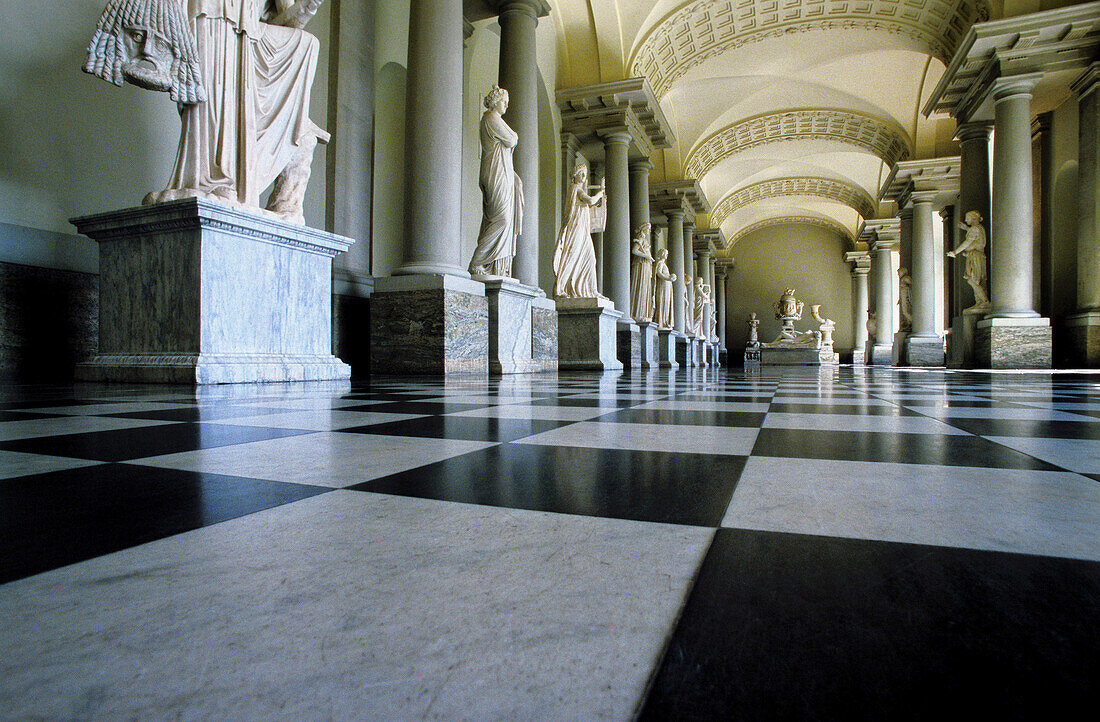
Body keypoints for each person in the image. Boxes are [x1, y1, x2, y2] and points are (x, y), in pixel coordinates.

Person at [86, 0, 329, 223]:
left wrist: (310, 4)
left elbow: (289, 19)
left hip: (249, 32)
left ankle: (243, 180)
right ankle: (207, 180)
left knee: (307, 43)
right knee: (213, 97)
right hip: (210, 14)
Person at [468, 86, 523, 278]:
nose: (506, 105)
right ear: (494, 101)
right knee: (502, 219)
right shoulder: (491, 119)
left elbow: (512, 139)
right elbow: (511, 139)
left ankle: (494, 266)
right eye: (503, 101)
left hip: (503, 173)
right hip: (495, 173)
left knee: (500, 219)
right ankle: (478, 262)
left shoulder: (495, 120)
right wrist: (514, 137)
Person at [553, 164, 605, 299]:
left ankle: (592, 290)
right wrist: (600, 193)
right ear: (575, 175)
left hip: (583, 231)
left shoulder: (580, 190)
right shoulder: (575, 189)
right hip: (575, 229)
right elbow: (591, 200)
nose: (583, 176)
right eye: (581, 173)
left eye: (585, 173)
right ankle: (560, 289)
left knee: (591, 259)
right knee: (571, 256)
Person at [948, 210, 991, 309]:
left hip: (975, 256)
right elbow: (976, 238)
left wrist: (955, 252)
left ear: (973, 218)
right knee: (977, 279)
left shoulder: (975, 229)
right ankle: (979, 302)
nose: (966, 219)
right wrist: (967, 228)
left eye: (967, 217)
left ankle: (984, 301)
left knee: (973, 279)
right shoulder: (977, 228)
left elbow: (967, 242)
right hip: (975, 255)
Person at [629, 223, 655, 322]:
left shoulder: (644, 240)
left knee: (645, 288)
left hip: (646, 265)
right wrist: (646, 256)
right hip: (641, 264)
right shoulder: (640, 239)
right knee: (641, 286)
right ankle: (637, 312)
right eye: (648, 229)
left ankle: (643, 312)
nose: (649, 231)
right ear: (644, 229)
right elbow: (634, 251)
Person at [653, 249, 676, 330]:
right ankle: (661, 321)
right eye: (665, 253)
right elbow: (658, 273)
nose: (666, 255)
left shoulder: (664, 264)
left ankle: (665, 321)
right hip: (663, 285)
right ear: (662, 254)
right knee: (662, 302)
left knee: (667, 303)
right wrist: (668, 278)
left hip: (667, 285)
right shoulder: (660, 263)